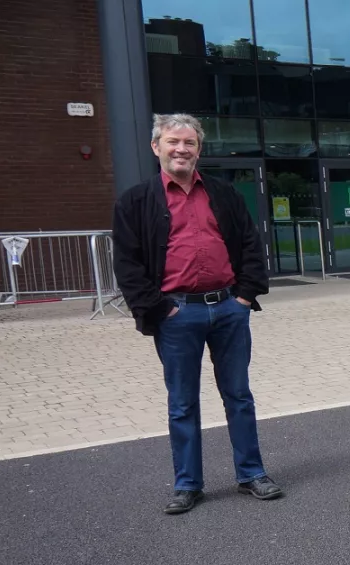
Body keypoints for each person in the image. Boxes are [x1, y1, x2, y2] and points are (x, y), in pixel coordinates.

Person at [111, 114, 281, 515]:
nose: (181, 149)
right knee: (183, 403)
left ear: (198, 150)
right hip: (176, 315)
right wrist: (160, 309)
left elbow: (250, 246)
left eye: (189, 143)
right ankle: (188, 484)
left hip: (227, 309)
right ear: (157, 147)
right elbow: (128, 266)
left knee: (239, 396)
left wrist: (243, 298)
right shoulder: (135, 201)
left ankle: (251, 474)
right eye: (173, 142)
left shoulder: (223, 194)